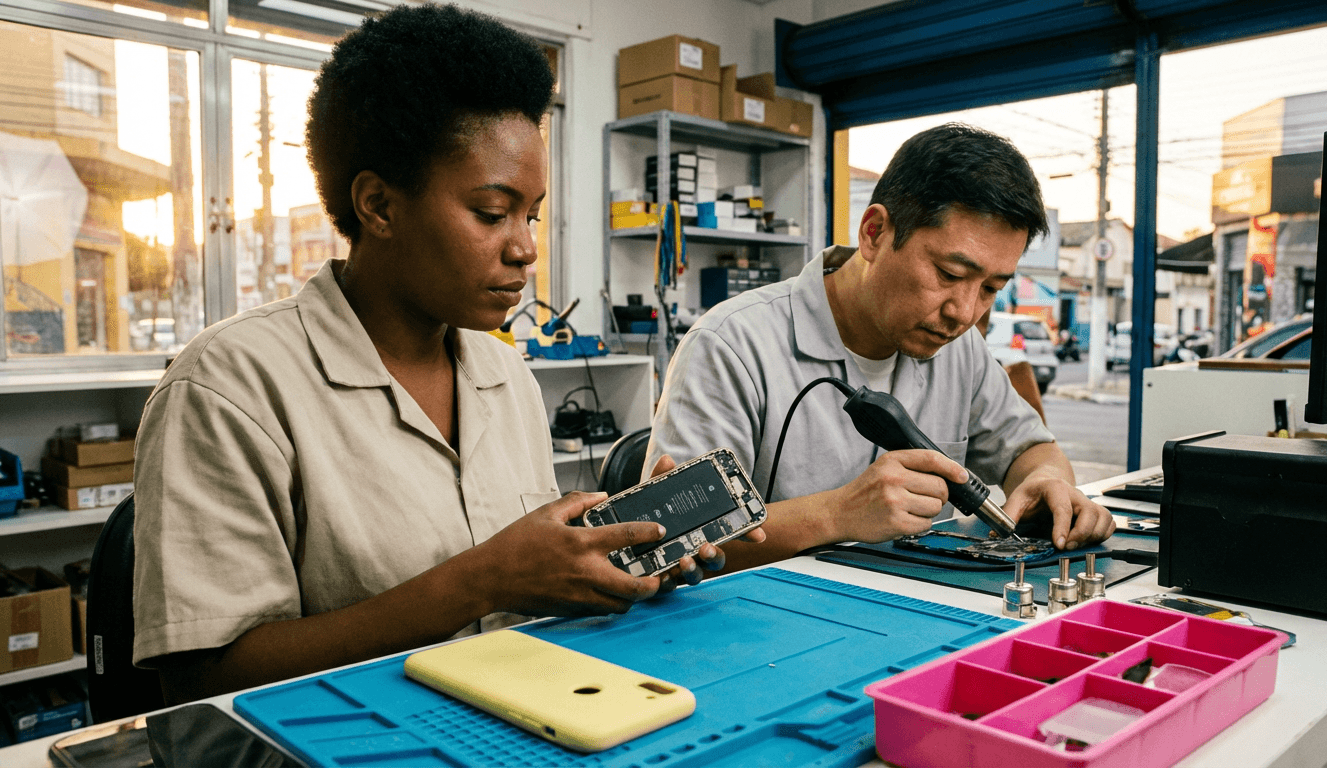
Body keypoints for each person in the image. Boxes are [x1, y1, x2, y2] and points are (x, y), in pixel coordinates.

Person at [131, 5, 751, 704]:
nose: (524, 247)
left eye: (532, 214)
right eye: (492, 212)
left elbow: (528, 600)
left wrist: (611, 566)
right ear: (379, 205)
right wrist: (482, 580)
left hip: (525, 716)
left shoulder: (503, 374)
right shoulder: (229, 386)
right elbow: (201, 680)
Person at [645, 123, 1114, 573]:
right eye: (949, 275)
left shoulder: (959, 348)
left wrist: (1049, 482)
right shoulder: (732, 345)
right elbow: (670, 542)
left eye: (991, 288)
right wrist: (836, 514)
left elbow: (1029, 450)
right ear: (874, 233)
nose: (965, 312)